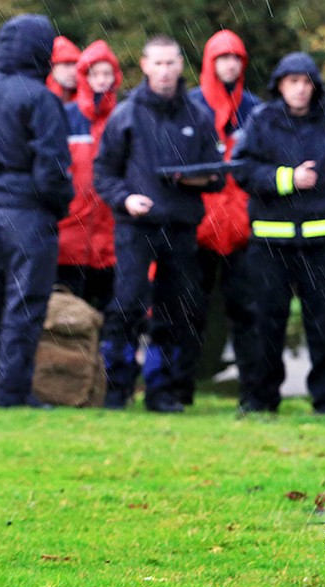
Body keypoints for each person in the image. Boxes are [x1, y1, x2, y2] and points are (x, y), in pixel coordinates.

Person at [93, 35, 223, 413]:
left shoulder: (197, 116)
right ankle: (115, 389)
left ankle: (161, 391)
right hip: (136, 227)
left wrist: (196, 179)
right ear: (145, 66)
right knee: (127, 306)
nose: (165, 71)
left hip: (181, 226)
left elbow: (217, 176)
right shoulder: (126, 114)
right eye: (158, 64)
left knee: (176, 311)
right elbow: (103, 173)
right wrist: (126, 198)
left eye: (172, 63)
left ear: (182, 66)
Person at [232, 52, 325, 414]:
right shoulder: (261, 123)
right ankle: (260, 400)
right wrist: (287, 179)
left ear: (315, 87)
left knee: (322, 325)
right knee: (265, 324)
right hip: (270, 244)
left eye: (306, 82)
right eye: (293, 81)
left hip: (322, 244)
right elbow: (242, 171)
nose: (300, 89)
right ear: (280, 85)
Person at [0, 14, 73, 407]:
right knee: (23, 304)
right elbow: (52, 166)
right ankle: (11, 391)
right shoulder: (41, 98)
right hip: (29, 211)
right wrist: (57, 204)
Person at [173, 29, 263, 408]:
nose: (230, 64)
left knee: (248, 314)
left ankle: (254, 396)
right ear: (209, 63)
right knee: (187, 312)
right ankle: (180, 392)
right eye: (222, 58)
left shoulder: (256, 111)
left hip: (243, 230)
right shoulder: (189, 106)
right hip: (198, 227)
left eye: (236, 58)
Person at [56, 39, 123, 312]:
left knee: (114, 311)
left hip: (113, 230)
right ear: (84, 76)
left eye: (108, 73)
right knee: (70, 316)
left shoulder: (122, 117)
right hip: (71, 230)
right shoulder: (66, 116)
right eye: (95, 73)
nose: (102, 80)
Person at [47, 36, 80, 104]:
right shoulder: (42, 97)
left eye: (76, 65)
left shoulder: (89, 99)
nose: (73, 71)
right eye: (67, 65)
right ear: (52, 67)